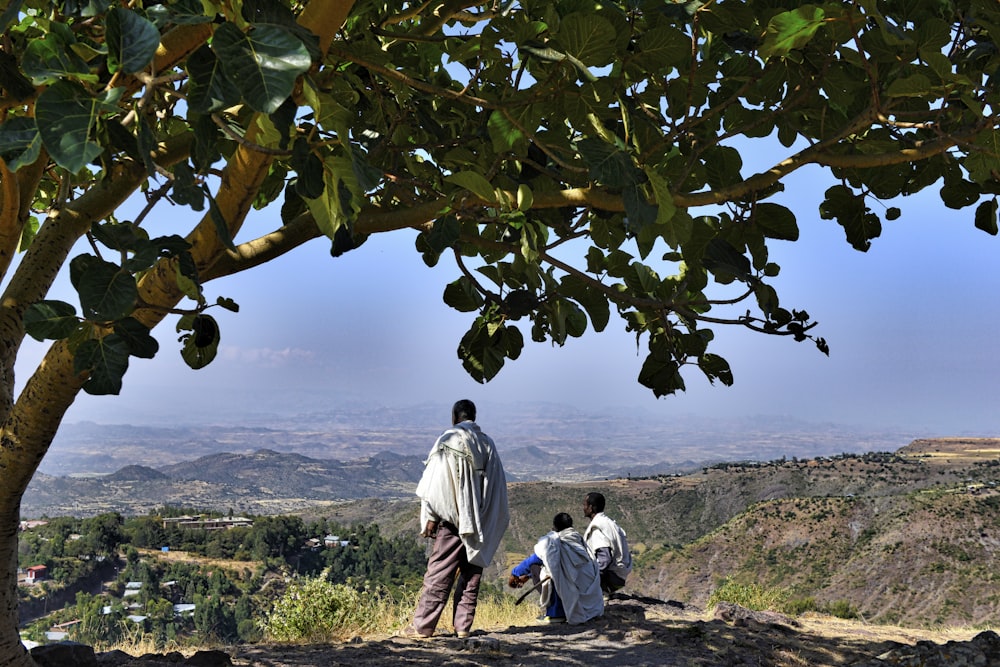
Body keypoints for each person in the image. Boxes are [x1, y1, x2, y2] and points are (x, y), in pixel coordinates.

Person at [398, 400, 509, 639]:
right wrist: (486, 518)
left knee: (439, 574)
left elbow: (434, 484)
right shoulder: (487, 443)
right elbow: (496, 485)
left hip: (453, 521)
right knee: (471, 576)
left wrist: (430, 517)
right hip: (480, 520)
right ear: (474, 416)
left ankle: (423, 627)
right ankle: (462, 628)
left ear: (454, 417)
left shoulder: (448, 441)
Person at [508, 512, 603, 624]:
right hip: (590, 601)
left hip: (571, 591)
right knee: (554, 570)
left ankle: (556, 613)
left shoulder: (552, 543)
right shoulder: (579, 541)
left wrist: (515, 574)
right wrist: (528, 576)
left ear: (554, 527)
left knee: (536, 568)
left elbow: (532, 561)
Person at [583, 492, 632, 596]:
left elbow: (604, 559)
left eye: (585, 505)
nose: (584, 508)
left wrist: (589, 577)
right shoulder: (609, 523)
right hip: (620, 575)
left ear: (591, 508)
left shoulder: (597, 528)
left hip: (611, 577)